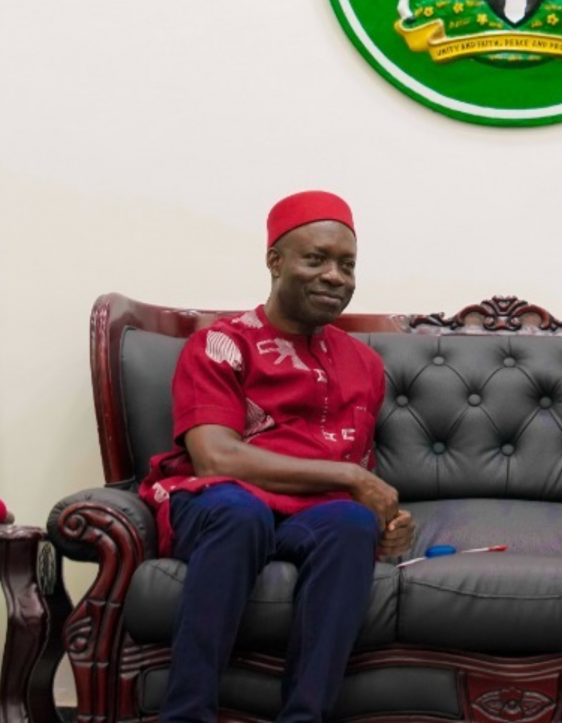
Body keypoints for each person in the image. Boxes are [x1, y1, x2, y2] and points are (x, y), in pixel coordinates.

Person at [137, 190, 414, 723]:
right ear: (275, 261)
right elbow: (215, 458)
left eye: (347, 265)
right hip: (219, 502)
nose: (335, 276)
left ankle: (303, 717)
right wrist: (349, 476)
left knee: (353, 524)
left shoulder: (364, 364)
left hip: (307, 511)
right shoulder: (221, 343)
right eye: (316, 259)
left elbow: (355, 474)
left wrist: (387, 520)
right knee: (240, 515)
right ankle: (187, 714)